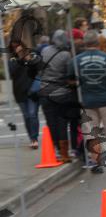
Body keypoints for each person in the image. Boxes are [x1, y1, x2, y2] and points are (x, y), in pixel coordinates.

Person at [67, 30, 106, 174]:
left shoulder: (76, 60)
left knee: (92, 135)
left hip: (87, 101)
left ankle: (97, 164)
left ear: (84, 43)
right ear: (97, 43)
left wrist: (82, 83)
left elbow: (70, 80)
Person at [38, 30, 80, 162]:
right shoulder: (66, 55)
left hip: (45, 92)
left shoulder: (45, 51)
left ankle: (55, 149)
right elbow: (69, 74)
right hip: (61, 93)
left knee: (51, 122)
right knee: (62, 122)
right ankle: (64, 152)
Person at [8, 40, 41, 149]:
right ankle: (31, 137)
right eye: (15, 47)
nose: (18, 49)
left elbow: (38, 68)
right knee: (26, 116)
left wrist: (29, 59)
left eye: (19, 46)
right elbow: (12, 72)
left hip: (32, 91)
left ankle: (34, 139)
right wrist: (21, 59)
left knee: (32, 114)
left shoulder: (31, 56)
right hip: (19, 92)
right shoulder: (12, 60)